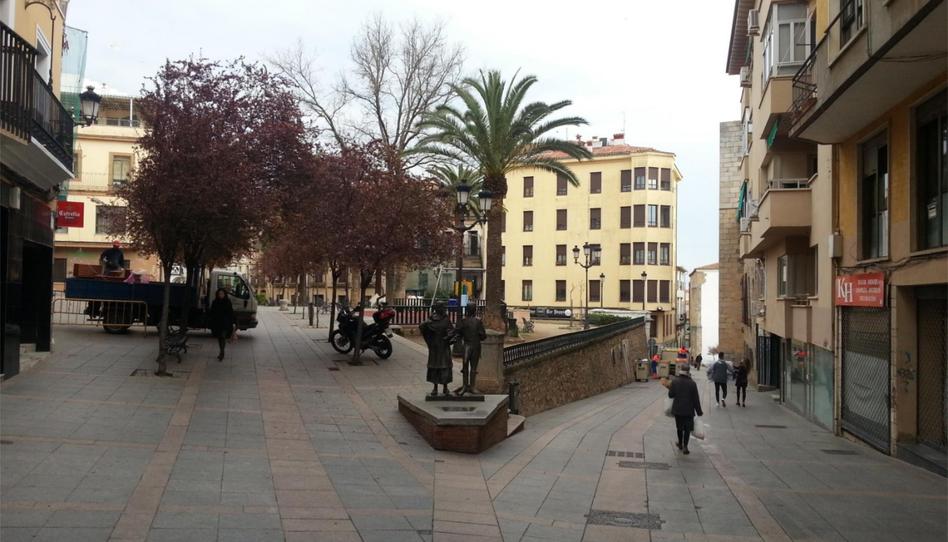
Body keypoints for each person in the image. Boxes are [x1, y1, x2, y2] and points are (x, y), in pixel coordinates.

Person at [663, 364, 703, 454]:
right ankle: (685, 446)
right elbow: (696, 399)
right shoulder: (692, 383)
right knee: (687, 429)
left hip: (678, 409)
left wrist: (670, 388)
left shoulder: (675, 381)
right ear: (688, 372)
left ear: (681, 370)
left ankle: (680, 443)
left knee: (679, 427)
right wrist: (699, 411)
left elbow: (671, 395)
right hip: (689, 410)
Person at [420, 302, 454, 397]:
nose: (445, 309)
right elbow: (422, 327)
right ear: (438, 309)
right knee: (434, 366)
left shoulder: (446, 319)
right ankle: (435, 387)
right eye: (443, 307)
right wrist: (426, 323)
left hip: (444, 346)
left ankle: (445, 387)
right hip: (434, 346)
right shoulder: (431, 319)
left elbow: (451, 330)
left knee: (445, 366)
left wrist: (449, 335)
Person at [454, 305, 487, 395]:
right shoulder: (476, 321)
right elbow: (483, 336)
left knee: (468, 366)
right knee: (471, 367)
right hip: (472, 345)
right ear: (474, 310)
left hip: (469, 345)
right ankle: (468, 386)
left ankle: (469, 386)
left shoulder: (466, 321)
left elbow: (458, 333)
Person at [207, 288, 236, 361]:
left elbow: (231, 313)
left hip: (226, 323)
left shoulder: (228, 302)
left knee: (223, 337)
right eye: (219, 294)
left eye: (222, 294)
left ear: (224, 294)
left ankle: (222, 353)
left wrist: (232, 322)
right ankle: (221, 351)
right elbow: (212, 313)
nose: (221, 295)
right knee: (219, 338)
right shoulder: (215, 302)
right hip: (217, 323)